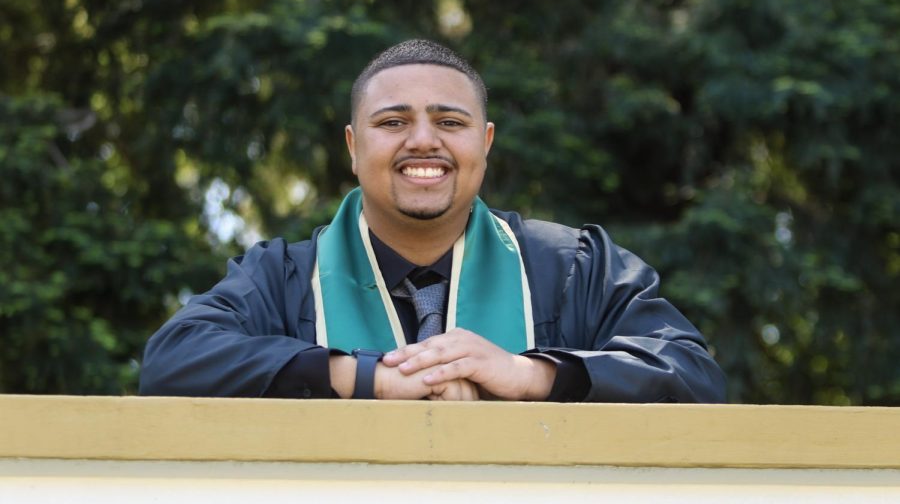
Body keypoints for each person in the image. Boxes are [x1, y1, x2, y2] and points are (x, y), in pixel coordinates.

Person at [140, 39, 726, 403]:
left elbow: (691, 373)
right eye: (393, 122)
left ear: (485, 141)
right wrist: (368, 379)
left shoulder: (573, 267)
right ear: (352, 144)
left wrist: (530, 377)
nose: (424, 142)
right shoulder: (284, 277)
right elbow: (174, 361)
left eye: (449, 122)